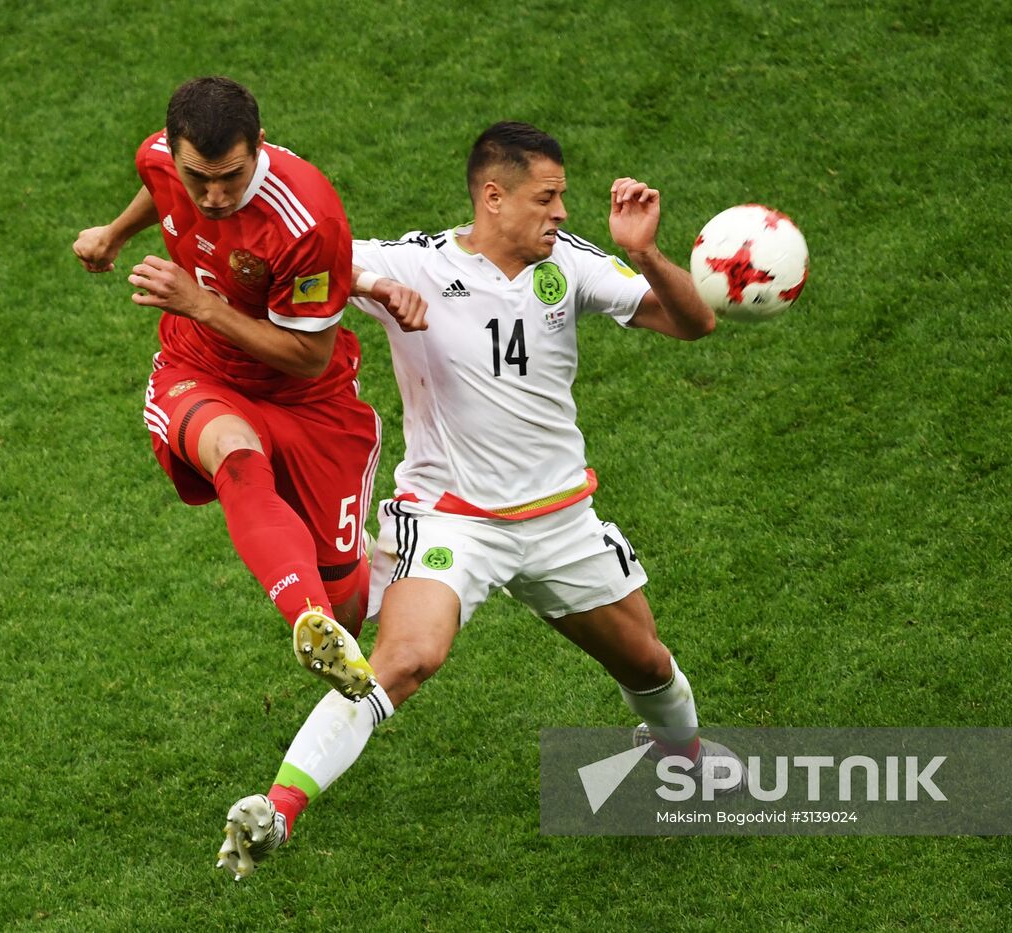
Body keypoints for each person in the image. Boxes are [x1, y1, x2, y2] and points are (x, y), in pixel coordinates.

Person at [216, 121, 742, 880]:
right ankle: (276, 810)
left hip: (561, 521)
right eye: (548, 197)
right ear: (494, 197)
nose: (562, 212)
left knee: (648, 662)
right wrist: (368, 279)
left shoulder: (571, 264)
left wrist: (647, 254)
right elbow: (309, 257)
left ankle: (683, 756)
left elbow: (695, 323)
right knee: (404, 658)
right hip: (452, 522)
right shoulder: (416, 264)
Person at [72, 77, 421, 700]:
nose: (212, 195)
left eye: (230, 176)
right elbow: (159, 187)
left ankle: (353, 589)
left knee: (348, 598)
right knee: (233, 452)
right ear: (174, 150)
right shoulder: (161, 160)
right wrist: (116, 232)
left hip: (307, 400)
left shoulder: (307, 219)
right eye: (196, 176)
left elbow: (308, 359)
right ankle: (307, 623)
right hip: (198, 369)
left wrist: (200, 303)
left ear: (258, 144)